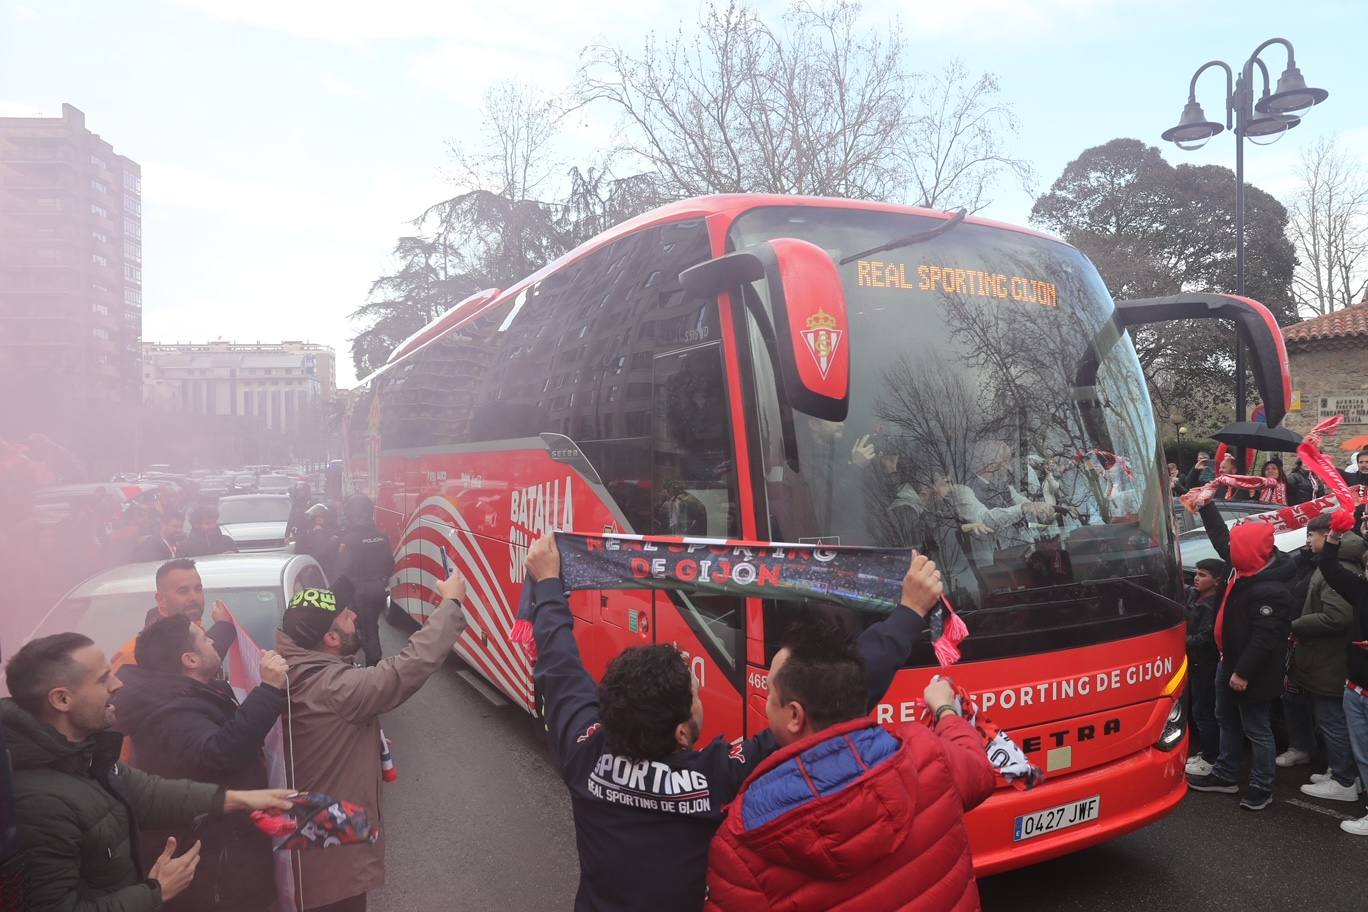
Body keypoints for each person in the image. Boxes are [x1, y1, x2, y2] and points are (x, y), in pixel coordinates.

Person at [524, 532, 944, 911]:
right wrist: (908, 614)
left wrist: (546, 583)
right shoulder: (720, 780)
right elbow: (830, 697)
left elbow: (558, 665)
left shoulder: (583, 752)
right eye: (695, 691)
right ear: (683, 733)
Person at [704, 616, 994, 910]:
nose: (765, 703)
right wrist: (946, 710)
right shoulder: (927, 756)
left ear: (795, 716)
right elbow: (979, 770)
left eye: (769, 694)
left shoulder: (741, 849)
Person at [1, 633, 294, 912]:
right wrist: (156, 891)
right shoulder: (38, 804)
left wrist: (240, 799)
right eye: (103, 679)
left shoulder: (83, 755)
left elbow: (149, 793)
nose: (117, 685)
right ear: (62, 700)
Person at [277, 578, 469, 912]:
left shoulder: (285, 668)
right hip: (332, 860)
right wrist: (450, 604)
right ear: (331, 639)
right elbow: (408, 667)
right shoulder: (337, 687)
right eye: (344, 615)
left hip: (306, 850)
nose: (354, 614)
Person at [110, 615, 289, 911]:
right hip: (217, 870)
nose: (212, 642)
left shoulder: (171, 688)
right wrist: (269, 690)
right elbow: (220, 752)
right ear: (190, 660)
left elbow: (207, 648)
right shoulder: (172, 712)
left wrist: (227, 625)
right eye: (205, 638)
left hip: (223, 849)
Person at [1186, 504, 1297, 810]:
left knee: (1256, 728)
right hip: (1228, 661)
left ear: (1248, 551)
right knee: (1226, 719)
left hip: (1252, 671)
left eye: (1236, 547)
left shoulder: (1272, 588)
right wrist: (1206, 506)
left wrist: (1243, 672)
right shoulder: (1243, 565)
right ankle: (1226, 774)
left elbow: (1265, 638)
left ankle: (1262, 786)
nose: (1229, 551)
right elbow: (1223, 539)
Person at [1276, 515, 1363, 803]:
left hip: (1330, 659)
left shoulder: (1339, 568)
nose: (1307, 542)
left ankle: (1343, 779)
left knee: (1332, 720)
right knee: (1330, 718)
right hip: (1326, 658)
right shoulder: (1332, 564)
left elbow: (1337, 617)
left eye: (1311, 536)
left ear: (1326, 535)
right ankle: (1339, 771)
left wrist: (1297, 624)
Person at [1314, 514, 1368, 835]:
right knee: (1363, 755)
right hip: (1355, 689)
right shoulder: (1361, 590)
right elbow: (1330, 568)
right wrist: (1334, 534)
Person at [112, 558, 236, 671]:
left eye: (198, 589)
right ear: (161, 600)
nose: (194, 597)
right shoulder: (132, 654)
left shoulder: (199, 631)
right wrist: (223, 627)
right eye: (183, 591)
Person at [334, 494, 395, 667]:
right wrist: (380, 581)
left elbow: (342, 571)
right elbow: (390, 564)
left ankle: (369, 667)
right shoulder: (382, 537)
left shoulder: (348, 540)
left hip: (358, 592)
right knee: (371, 626)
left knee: (360, 630)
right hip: (377, 590)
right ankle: (371, 663)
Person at [1184, 558, 1225, 778]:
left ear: (1217, 581)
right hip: (1194, 663)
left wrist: (1183, 640)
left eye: (1203, 575)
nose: (1196, 578)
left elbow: (1207, 637)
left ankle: (1211, 757)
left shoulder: (1212, 605)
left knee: (1204, 711)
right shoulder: (1195, 596)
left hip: (1205, 664)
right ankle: (1207, 752)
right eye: (1196, 574)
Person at [296, 502, 341, 577]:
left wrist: (319, 532)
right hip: (314, 566)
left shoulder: (332, 533)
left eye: (321, 517)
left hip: (326, 568)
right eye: (316, 517)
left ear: (328, 518)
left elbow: (321, 550)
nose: (317, 519)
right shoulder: (312, 530)